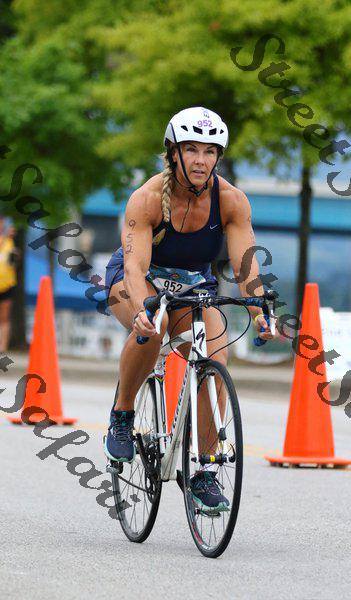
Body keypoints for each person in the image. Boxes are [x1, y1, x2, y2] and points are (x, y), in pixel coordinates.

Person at [104, 107, 274, 512]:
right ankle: (122, 415)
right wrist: (142, 307)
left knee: (215, 357)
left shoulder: (231, 201)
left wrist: (259, 311)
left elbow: (245, 265)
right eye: (192, 149)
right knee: (153, 326)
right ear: (173, 153)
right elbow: (135, 267)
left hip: (193, 285)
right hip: (136, 280)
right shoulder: (146, 198)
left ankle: (204, 471)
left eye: (210, 151)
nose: (201, 160)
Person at [0, 218, 18, 353]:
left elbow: (13, 263)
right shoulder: (5, 239)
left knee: (5, 316)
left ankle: (3, 346)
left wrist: (16, 256)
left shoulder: (10, 242)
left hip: (6, 284)